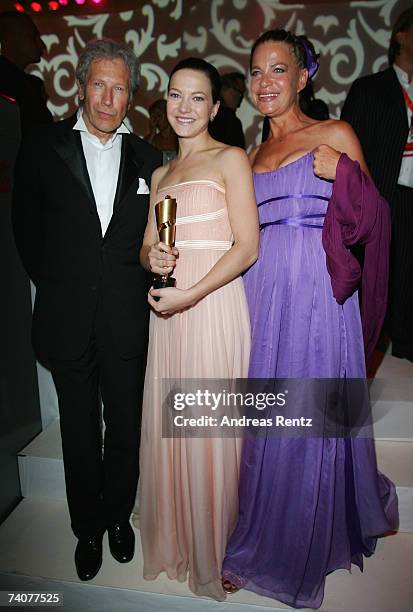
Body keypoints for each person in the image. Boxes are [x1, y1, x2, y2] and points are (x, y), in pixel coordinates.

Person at [221, 29, 398, 609]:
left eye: (278, 70)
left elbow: (377, 222)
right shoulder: (247, 157)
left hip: (320, 297)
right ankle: (261, 527)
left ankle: (301, 538)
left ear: (302, 78)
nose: (264, 82)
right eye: (255, 71)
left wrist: (343, 176)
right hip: (261, 293)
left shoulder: (336, 134)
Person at [12, 38, 162, 582]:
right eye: (99, 84)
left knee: (124, 425)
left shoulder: (150, 158)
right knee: (77, 429)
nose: (107, 97)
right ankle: (88, 528)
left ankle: (119, 517)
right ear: (80, 85)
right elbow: (25, 229)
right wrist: (59, 285)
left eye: (119, 87)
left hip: (126, 321)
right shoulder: (42, 146)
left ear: (131, 96)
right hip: (67, 317)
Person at [136, 57, 259, 600]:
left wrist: (191, 291)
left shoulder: (231, 159)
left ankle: (222, 547)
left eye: (196, 98)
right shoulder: (161, 174)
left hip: (211, 304)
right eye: (175, 96)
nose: (184, 107)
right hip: (168, 314)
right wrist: (153, 258)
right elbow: (145, 247)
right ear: (165, 102)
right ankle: (185, 533)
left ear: (214, 106)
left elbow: (248, 247)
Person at [341, 7, 413, 362]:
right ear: (400, 35)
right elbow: (348, 154)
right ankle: (367, 351)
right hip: (383, 198)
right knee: (381, 279)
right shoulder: (370, 88)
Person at [0, 10, 53, 132]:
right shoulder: (27, 85)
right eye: (33, 36)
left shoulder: (32, 84)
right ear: (12, 37)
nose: (42, 45)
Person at [208, 72, 246, 147]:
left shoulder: (204, 113)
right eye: (240, 93)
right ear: (229, 90)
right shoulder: (231, 120)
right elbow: (237, 155)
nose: (240, 99)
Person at [144, 98, 178, 163]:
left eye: (159, 116)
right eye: (154, 117)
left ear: (168, 115)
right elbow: (142, 156)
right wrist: (152, 133)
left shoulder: (179, 137)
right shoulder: (151, 139)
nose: (156, 120)